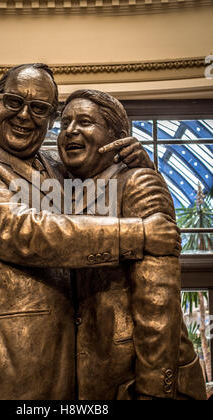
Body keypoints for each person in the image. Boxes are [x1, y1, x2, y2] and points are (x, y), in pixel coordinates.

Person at [0, 64, 180, 400]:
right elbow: (24, 231)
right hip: (3, 373)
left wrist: (140, 166)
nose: (24, 116)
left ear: (49, 118)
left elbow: (113, 186)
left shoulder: (58, 169)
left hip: (76, 377)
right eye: (14, 102)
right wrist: (139, 234)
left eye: (39, 109)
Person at [56, 88, 207, 400]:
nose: (70, 130)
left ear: (116, 137)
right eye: (64, 123)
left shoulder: (138, 183)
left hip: (137, 383)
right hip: (94, 381)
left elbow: (158, 308)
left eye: (84, 122)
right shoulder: (64, 190)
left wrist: (152, 393)